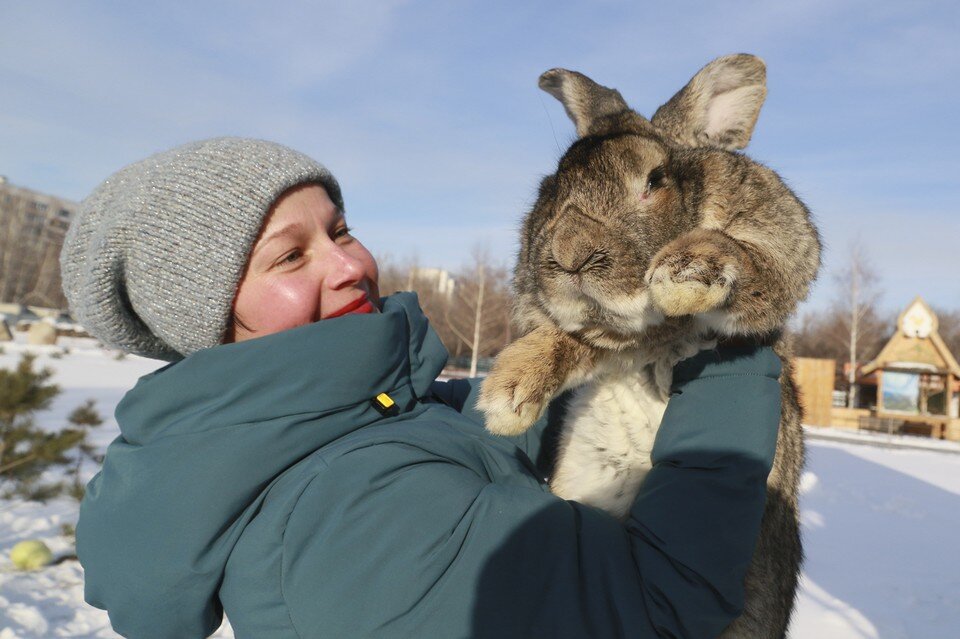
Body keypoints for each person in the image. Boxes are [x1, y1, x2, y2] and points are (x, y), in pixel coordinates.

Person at [62, 137, 782, 639]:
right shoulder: (342, 520)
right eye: (290, 256)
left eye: (340, 231)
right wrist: (721, 341)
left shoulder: (346, 422)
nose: (349, 265)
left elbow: (468, 446)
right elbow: (656, 608)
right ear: (210, 312)